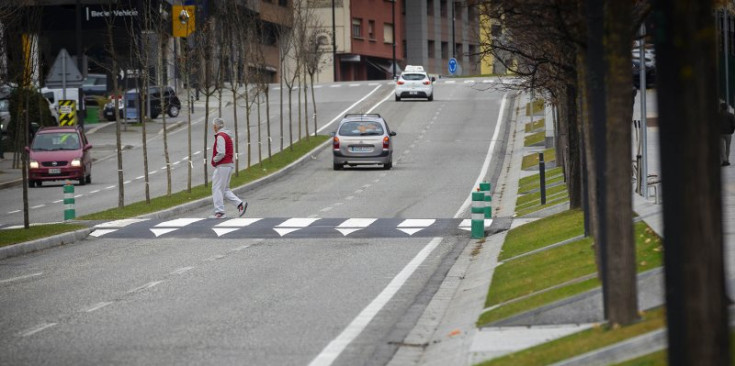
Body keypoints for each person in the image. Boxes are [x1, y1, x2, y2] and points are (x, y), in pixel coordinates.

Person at [210, 117, 247, 218]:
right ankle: (240, 204)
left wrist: (214, 159)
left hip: (223, 165)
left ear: (215, 126)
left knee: (216, 188)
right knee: (225, 189)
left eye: (213, 126)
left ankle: (220, 212)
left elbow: (221, 152)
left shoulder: (220, 136)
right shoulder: (227, 135)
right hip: (228, 164)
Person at [721, 102, 735, 166]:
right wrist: (732, 131)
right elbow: (733, 124)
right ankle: (727, 160)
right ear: (726, 108)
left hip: (720, 133)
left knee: (722, 147)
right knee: (728, 147)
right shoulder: (731, 115)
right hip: (728, 133)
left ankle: (725, 160)